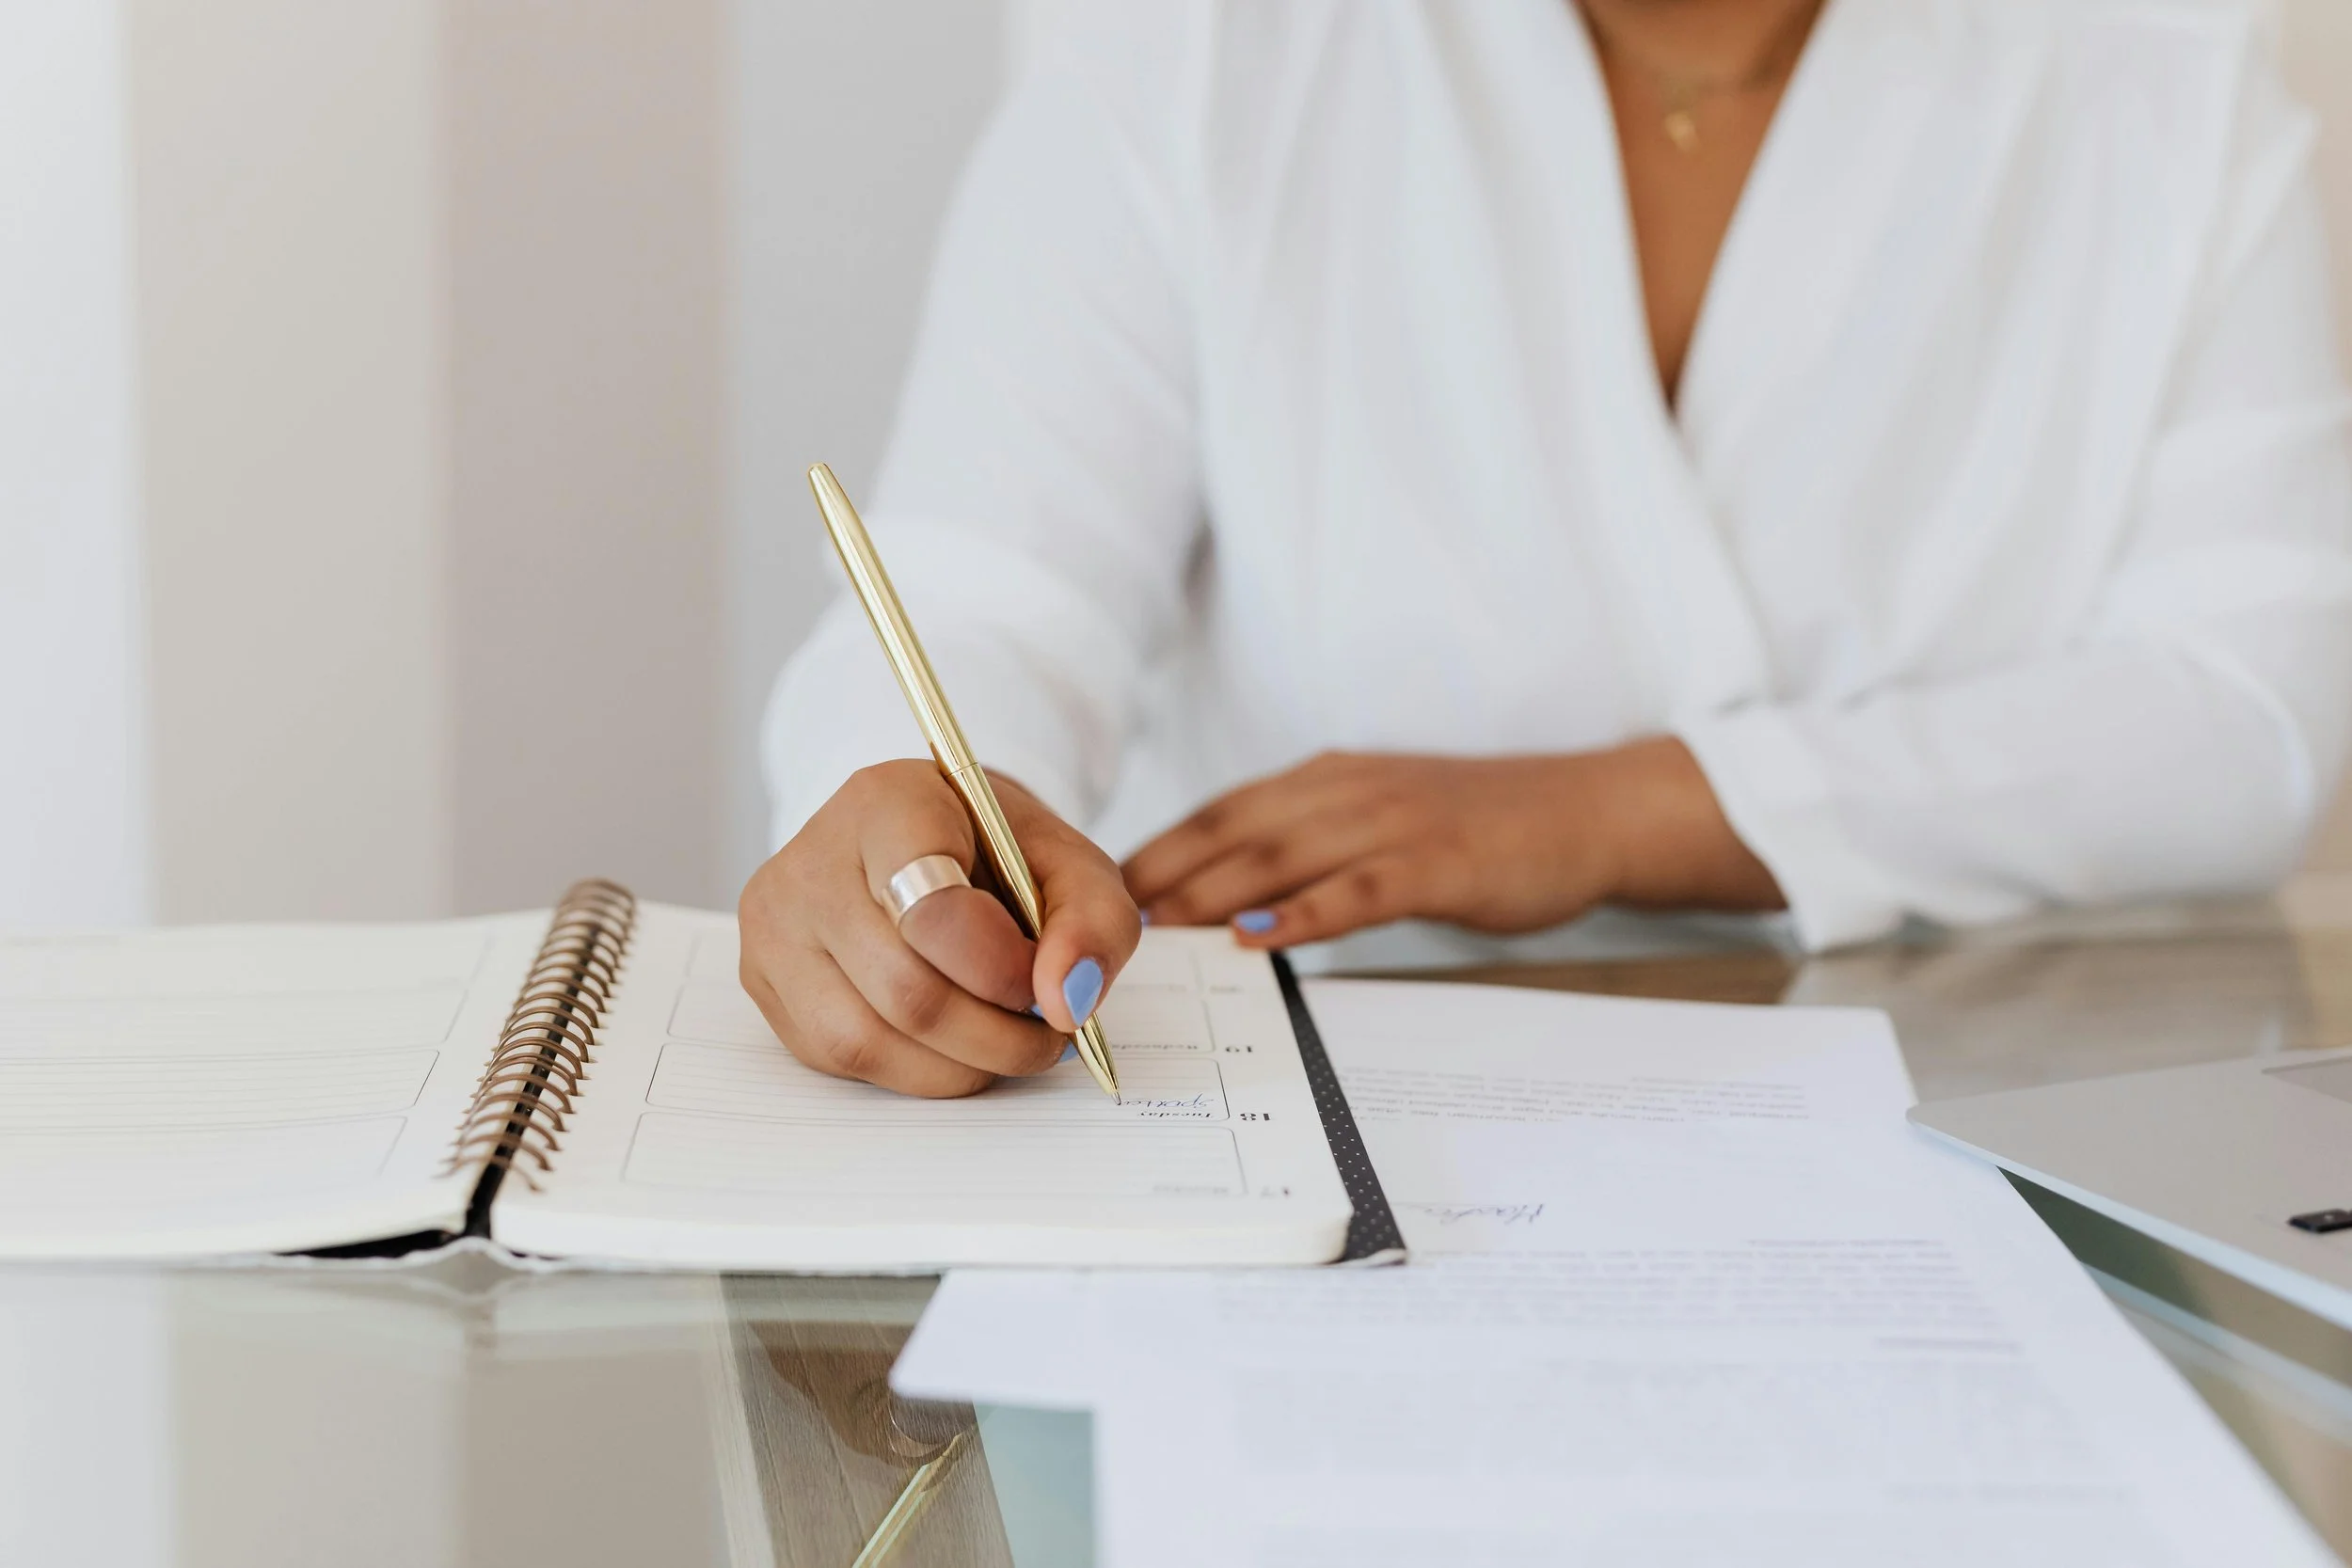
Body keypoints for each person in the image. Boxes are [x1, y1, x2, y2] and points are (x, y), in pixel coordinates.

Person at [741, 0, 2352, 1098]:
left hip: (1986, 1127)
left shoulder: (2174, 67)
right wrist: (918, 830)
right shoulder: (1196, 44)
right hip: (1303, 1117)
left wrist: (1619, 809)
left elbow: (2250, 713)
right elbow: (983, 601)